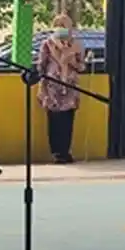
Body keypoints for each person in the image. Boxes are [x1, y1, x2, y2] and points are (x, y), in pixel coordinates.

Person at [37, 13, 85, 164]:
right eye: (59, 26)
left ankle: (65, 151)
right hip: (53, 86)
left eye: (64, 26)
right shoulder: (48, 44)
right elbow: (41, 66)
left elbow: (81, 66)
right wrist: (42, 87)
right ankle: (57, 152)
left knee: (67, 120)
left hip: (70, 86)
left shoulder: (76, 45)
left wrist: (70, 60)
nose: (62, 29)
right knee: (54, 120)